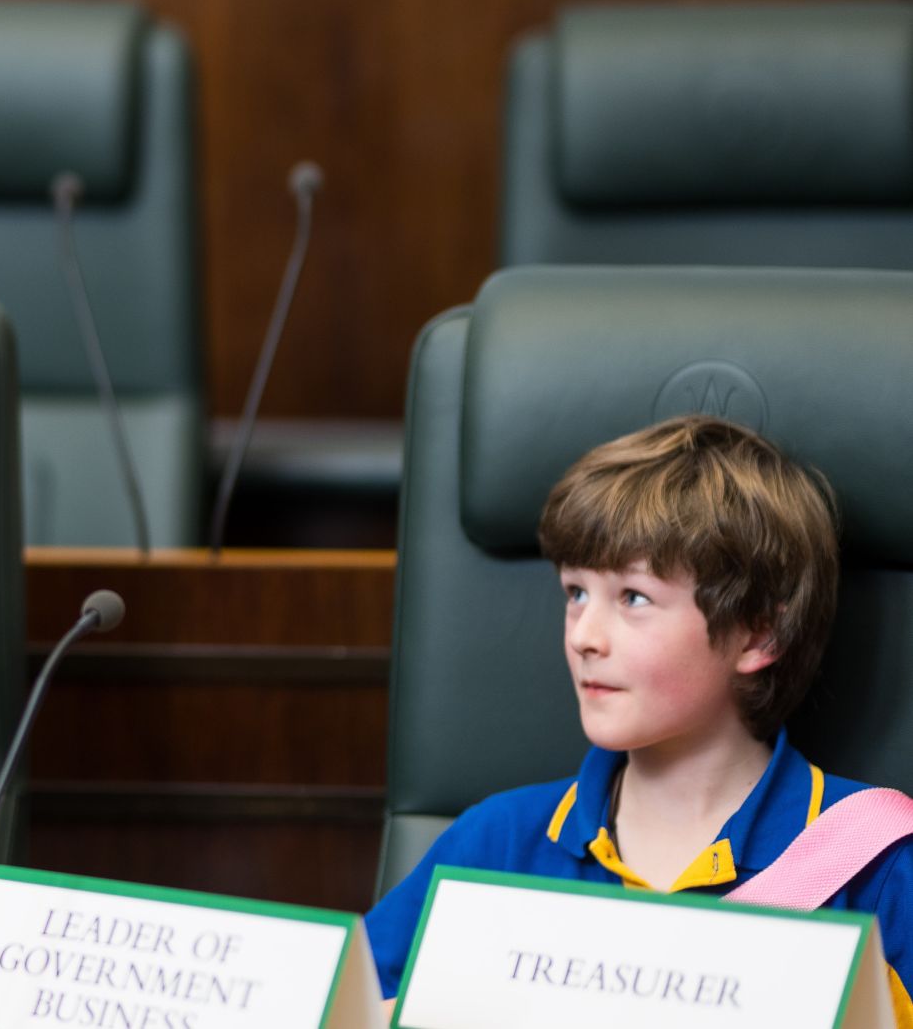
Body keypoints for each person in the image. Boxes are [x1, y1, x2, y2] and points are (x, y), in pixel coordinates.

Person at [366, 414, 913, 1019]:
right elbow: (344, 1008)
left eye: (634, 598)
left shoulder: (881, 867)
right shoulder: (495, 843)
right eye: (576, 593)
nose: (585, 637)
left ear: (759, 633)